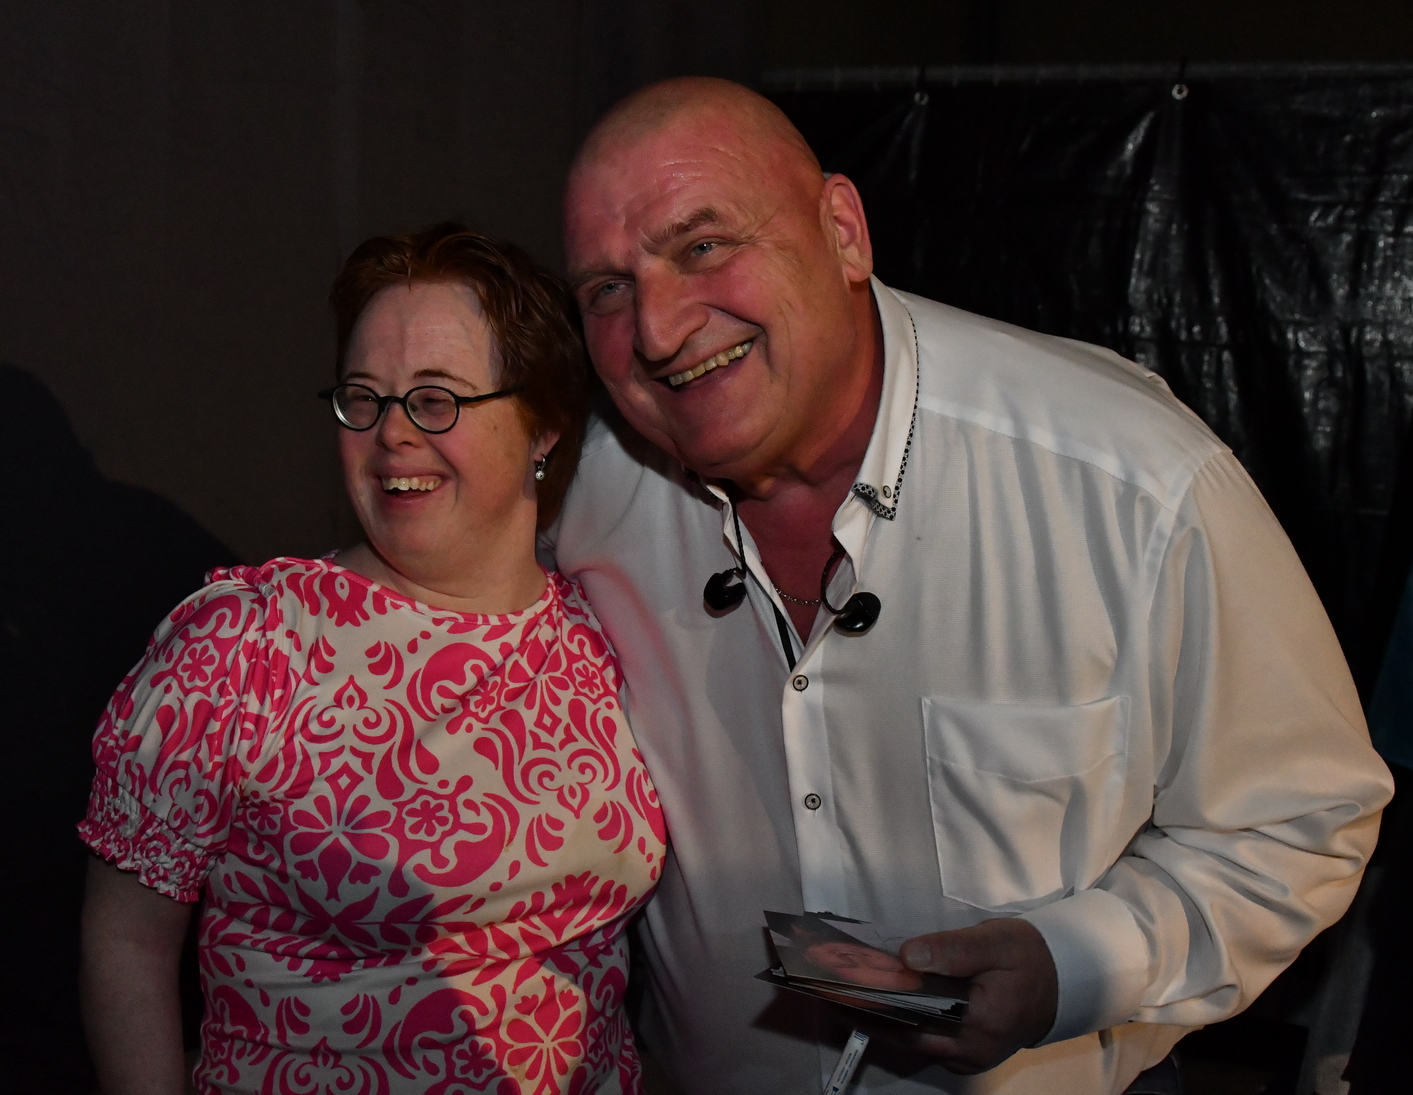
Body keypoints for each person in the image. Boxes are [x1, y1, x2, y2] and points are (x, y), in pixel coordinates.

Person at [546, 77, 1395, 1093]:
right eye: (607, 289)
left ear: (843, 232)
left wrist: (1074, 963)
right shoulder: (578, 498)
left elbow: (1302, 820)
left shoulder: (1129, 482)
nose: (656, 329)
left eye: (702, 246)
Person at [78, 224, 666, 1094]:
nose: (391, 434)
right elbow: (127, 942)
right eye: (364, 397)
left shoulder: (605, 626)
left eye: (435, 399)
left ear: (543, 426)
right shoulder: (242, 646)